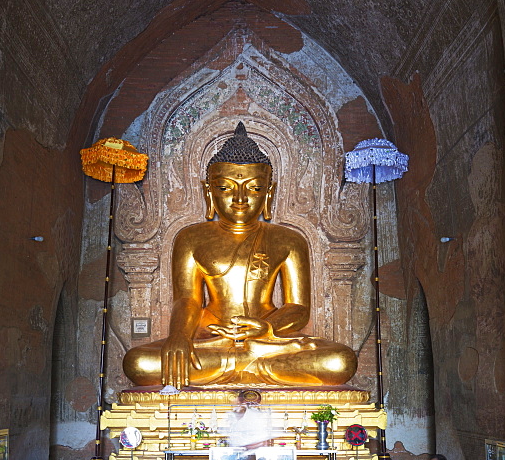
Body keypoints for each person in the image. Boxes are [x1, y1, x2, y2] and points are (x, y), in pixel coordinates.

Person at [122, 122, 358, 388]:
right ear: (208, 191)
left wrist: (266, 328)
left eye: (254, 188)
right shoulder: (190, 238)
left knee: (340, 360)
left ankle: (245, 363)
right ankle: (252, 367)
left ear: (269, 192)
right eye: (226, 188)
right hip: (211, 340)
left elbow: (298, 308)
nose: (241, 198)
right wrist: (179, 336)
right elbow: (188, 299)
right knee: (138, 362)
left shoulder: (290, 239)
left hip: (268, 342)